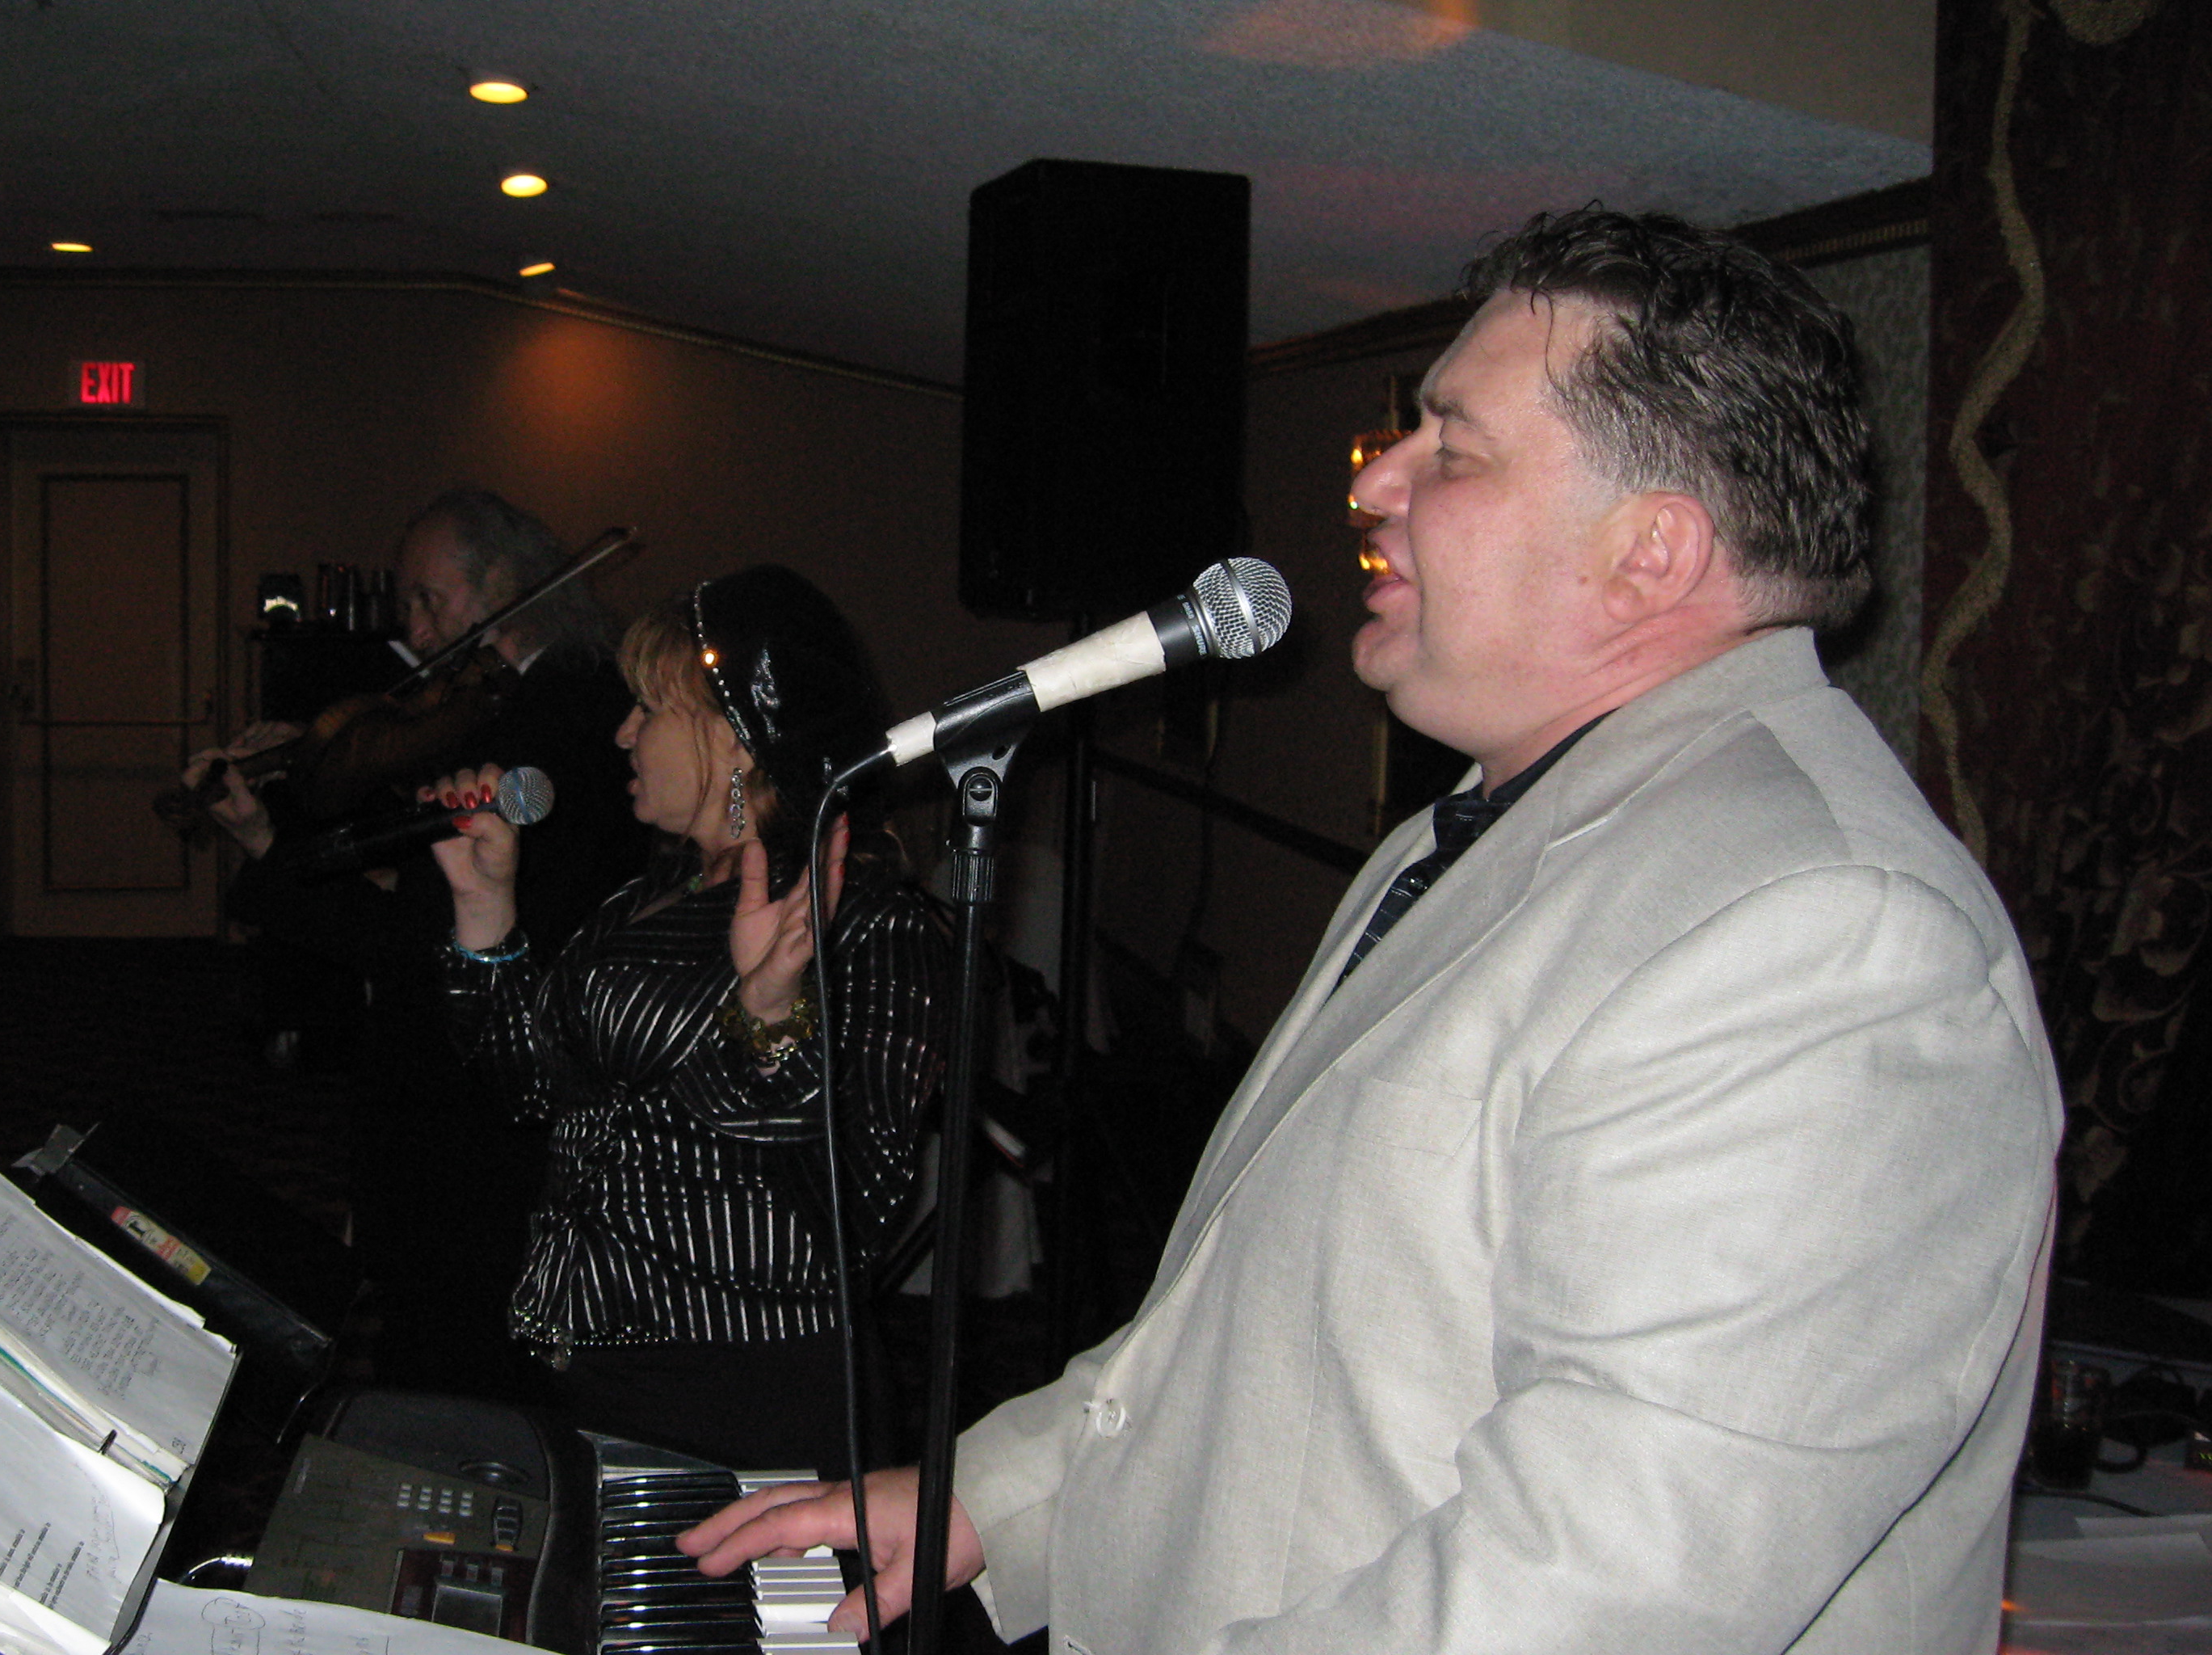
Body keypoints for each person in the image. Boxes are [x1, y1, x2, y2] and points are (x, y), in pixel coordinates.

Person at [685, 207, 2063, 1653]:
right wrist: (996, 1495)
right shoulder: (1467, 828)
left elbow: (1592, 1594)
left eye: (1451, 448)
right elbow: (1268, 1318)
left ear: (1650, 553)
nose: (1373, 482)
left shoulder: (1828, 935)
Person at [427, 565, 952, 1473]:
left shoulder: (869, 923)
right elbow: (533, 1090)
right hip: (587, 1360)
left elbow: (857, 1202)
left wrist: (766, 1015)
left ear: (736, 738)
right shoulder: (643, 897)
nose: (622, 732)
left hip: (742, 1388)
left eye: (647, 709)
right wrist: (485, 911)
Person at [186, 489, 644, 1400]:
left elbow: (419, 943)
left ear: (505, 584)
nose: (416, 632)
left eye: (431, 600)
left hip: (474, 1116)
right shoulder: (509, 706)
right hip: (467, 1098)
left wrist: (270, 849)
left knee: (452, 1368)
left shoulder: (556, 725)